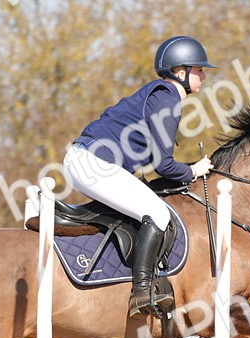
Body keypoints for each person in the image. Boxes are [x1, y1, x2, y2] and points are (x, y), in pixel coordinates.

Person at [63, 36, 216, 318]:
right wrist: (193, 170)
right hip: (92, 163)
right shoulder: (167, 98)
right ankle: (142, 292)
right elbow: (163, 165)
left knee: (148, 204)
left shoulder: (160, 96)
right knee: (157, 213)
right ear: (179, 72)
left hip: (88, 160)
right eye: (199, 70)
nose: (204, 75)